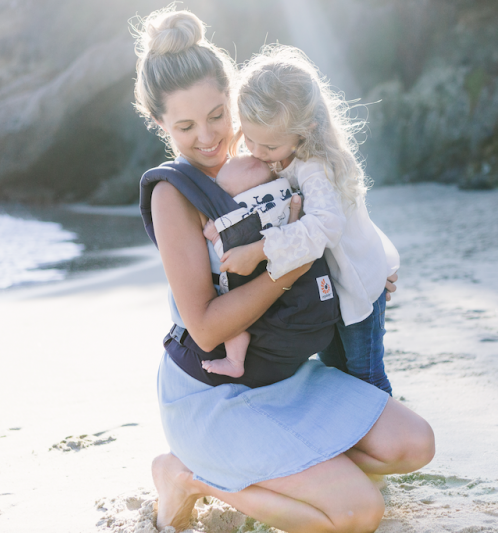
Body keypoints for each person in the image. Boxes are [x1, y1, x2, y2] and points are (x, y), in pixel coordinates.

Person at [133, 7, 435, 533]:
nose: (208, 138)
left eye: (216, 115)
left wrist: (372, 266)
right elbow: (205, 327)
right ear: (159, 124)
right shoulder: (172, 195)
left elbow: (335, 212)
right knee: (357, 513)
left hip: (281, 372)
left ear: (234, 102)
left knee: (415, 444)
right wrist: (286, 271)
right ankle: (191, 476)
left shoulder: (268, 151)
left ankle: (266, 474)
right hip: (213, 394)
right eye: (184, 126)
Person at [219, 44, 400, 395]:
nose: (256, 152)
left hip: (355, 285)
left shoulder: (313, 166)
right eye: (249, 138)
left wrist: (260, 250)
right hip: (325, 288)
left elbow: (328, 225)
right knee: (334, 369)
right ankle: (356, 438)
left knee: (364, 373)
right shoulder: (274, 155)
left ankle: (389, 442)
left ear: (306, 130)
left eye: (269, 146)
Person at [200, 154, 303, 378]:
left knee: (233, 326)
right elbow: (297, 232)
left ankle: (234, 361)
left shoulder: (240, 223)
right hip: (295, 291)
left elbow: (228, 256)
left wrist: (214, 236)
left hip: (253, 293)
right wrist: (295, 209)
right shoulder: (283, 201)